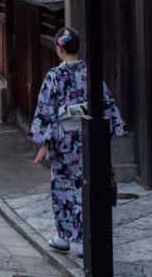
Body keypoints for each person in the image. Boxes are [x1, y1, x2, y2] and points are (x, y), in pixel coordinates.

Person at [30, 27, 125, 258]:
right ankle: (83, 238)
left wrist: (44, 144)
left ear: (59, 49)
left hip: (63, 141)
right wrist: (108, 132)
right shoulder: (90, 74)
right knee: (87, 184)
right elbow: (106, 104)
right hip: (88, 138)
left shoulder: (54, 76)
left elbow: (46, 110)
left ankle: (66, 236)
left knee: (63, 187)